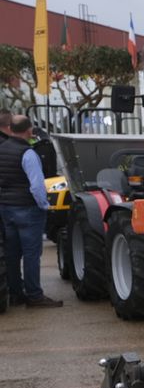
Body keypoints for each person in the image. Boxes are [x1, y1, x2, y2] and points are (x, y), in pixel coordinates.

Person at [0, 115, 64, 307]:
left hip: (6, 209)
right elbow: (37, 186)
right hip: (28, 209)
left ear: (10, 128)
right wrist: (44, 205)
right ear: (29, 131)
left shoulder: (1, 149)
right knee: (31, 253)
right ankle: (34, 294)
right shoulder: (28, 154)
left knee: (12, 253)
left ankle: (15, 292)